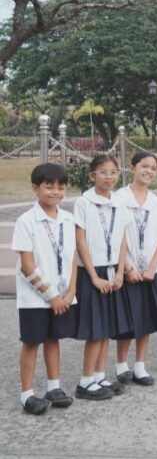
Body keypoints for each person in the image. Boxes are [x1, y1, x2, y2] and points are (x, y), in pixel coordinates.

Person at [13, 163, 77, 414]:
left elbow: (72, 257)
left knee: (53, 339)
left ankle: (54, 386)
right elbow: (27, 266)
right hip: (36, 298)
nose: (55, 192)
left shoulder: (68, 219)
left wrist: (70, 292)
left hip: (62, 296)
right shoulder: (26, 220)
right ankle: (27, 394)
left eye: (61, 187)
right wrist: (51, 296)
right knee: (32, 342)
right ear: (35, 188)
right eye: (49, 187)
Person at [74, 155, 132, 400]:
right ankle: (85, 381)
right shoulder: (84, 202)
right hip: (93, 272)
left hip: (112, 269)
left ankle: (99, 375)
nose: (109, 177)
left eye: (113, 172)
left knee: (107, 327)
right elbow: (80, 241)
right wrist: (93, 276)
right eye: (103, 172)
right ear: (92, 175)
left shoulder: (119, 202)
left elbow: (120, 238)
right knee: (95, 330)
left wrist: (120, 271)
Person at [114, 152, 157, 386]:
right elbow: (116, 235)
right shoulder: (118, 199)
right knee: (127, 320)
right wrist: (127, 267)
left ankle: (140, 365)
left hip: (149, 272)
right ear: (132, 167)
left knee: (146, 319)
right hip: (127, 271)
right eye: (144, 166)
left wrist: (153, 266)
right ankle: (121, 365)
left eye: (153, 168)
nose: (148, 171)